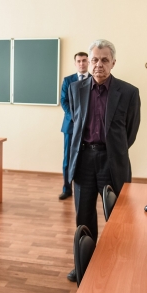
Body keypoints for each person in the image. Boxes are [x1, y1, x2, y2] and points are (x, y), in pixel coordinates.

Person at [65, 39, 141, 282]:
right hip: (84, 160)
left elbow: (130, 132)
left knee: (117, 217)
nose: (99, 64)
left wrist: (114, 152)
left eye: (104, 60)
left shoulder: (128, 92)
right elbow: (76, 124)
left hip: (112, 161)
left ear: (113, 63)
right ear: (88, 62)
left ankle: (118, 263)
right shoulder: (75, 89)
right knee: (84, 216)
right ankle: (84, 264)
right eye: (95, 60)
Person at [59, 52, 89, 200]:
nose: (81, 63)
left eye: (84, 60)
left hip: (89, 127)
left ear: (88, 62)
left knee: (86, 159)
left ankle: (85, 188)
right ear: (75, 63)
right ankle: (67, 189)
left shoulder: (94, 79)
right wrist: (76, 118)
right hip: (70, 126)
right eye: (79, 61)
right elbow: (64, 101)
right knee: (68, 159)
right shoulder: (68, 80)